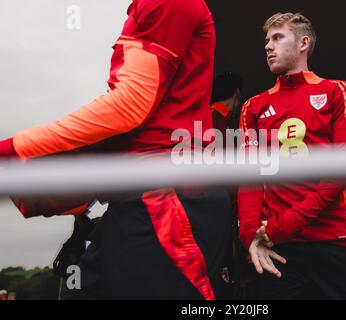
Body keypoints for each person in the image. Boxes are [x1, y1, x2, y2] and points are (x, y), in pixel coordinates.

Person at [0, 0, 231, 300]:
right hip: (140, 195)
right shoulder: (145, 7)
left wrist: (14, 149)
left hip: (167, 198)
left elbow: (130, 105)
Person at [238, 12, 346, 299]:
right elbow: (248, 176)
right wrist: (250, 236)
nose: (268, 46)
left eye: (277, 37)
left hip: (335, 241)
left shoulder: (338, 91)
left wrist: (283, 225)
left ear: (303, 43)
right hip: (278, 251)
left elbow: (341, 170)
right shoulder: (252, 107)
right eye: (266, 40)